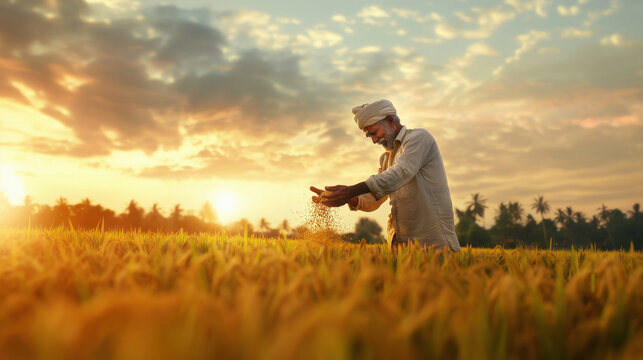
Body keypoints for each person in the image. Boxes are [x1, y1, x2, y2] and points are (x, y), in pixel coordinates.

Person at [310, 99, 460, 251]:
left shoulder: (419, 138)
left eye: (374, 133)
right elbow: (376, 197)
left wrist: (349, 191)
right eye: (370, 136)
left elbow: (400, 173)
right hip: (401, 247)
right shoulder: (386, 159)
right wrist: (348, 197)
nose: (374, 140)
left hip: (434, 245)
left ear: (390, 121)